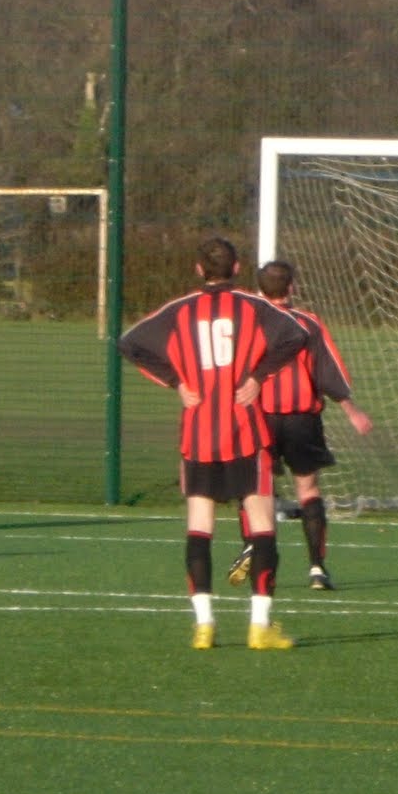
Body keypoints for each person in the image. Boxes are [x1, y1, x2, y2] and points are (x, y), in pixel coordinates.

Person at [117, 236, 309, 650]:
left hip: (199, 433)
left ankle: (203, 625)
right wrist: (258, 377)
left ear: (199, 270)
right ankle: (260, 626)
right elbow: (296, 336)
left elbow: (129, 343)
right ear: (238, 269)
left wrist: (176, 382)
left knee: (199, 527)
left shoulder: (180, 310)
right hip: (246, 431)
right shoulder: (254, 307)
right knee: (262, 526)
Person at [225, 260, 373, 592]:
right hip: (301, 419)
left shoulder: (247, 323)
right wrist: (351, 409)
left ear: (261, 290)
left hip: (257, 417)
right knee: (308, 490)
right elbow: (328, 371)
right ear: (292, 287)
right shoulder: (308, 323)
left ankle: (252, 545)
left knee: (256, 491)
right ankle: (318, 569)